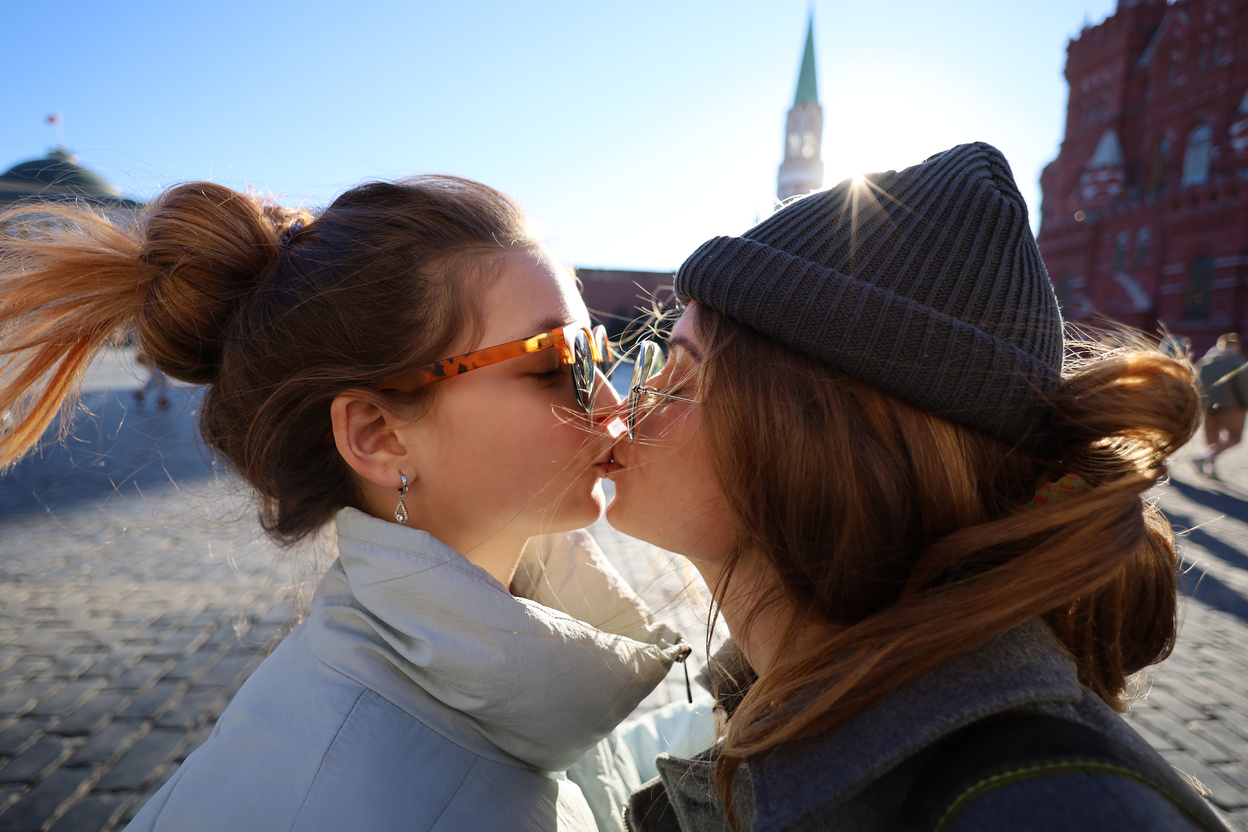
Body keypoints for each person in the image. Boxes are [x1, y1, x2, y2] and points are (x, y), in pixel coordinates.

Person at [0, 176, 705, 831]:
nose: (613, 402)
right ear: (379, 436)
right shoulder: (341, 803)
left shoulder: (519, 641)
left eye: (596, 351)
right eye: (558, 364)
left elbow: (586, 775)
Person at [602, 143, 1230, 831]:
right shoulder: (772, 697)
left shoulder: (1041, 808)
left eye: (682, 373)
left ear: (816, 441)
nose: (630, 397)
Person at [1195, 333, 1248, 477]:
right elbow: (1243, 386)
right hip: (1232, 408)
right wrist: (1245, 405)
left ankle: (1210, 468)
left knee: (1212, 439)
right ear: (1236, 346)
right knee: (1235, 437)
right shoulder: (1238, 361)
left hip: (1208, 408)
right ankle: (1206, 458)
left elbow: (1197, 384)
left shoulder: (1205, 361)